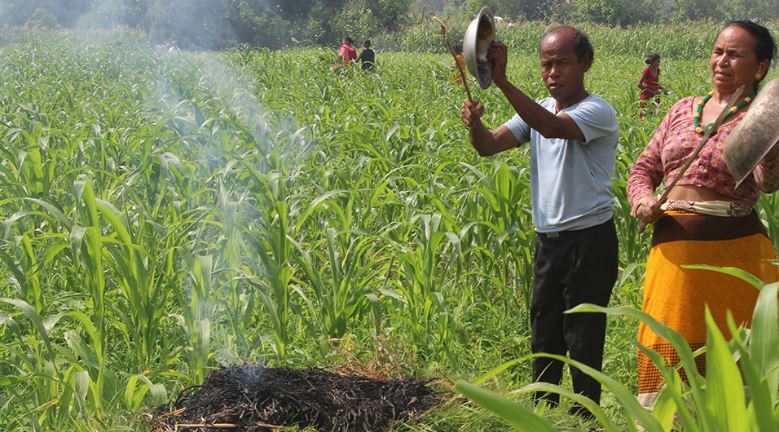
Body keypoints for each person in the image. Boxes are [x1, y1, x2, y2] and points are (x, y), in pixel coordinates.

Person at [460, 26, 619, 418]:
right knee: (545, 333)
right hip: (550, 240)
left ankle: (585, 420)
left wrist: (501, 82)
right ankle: (543, 416)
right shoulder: (539, 111)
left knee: (582, 336)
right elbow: (490, 146)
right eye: (546, 65)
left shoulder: (595, 111)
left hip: (590, 239)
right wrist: (475, 124)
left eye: (562, 63)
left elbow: (552, 129)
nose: (552, 73)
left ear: (585, 64)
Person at [627, 20, 779, 409]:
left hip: (734, 257)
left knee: (734, 362)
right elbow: (644, 168)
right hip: (673, 254)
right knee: (666, 350)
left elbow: (768, 182)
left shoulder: (760, 122)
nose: (722, 61)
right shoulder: (682, 110)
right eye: (718, 51)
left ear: (760, 68)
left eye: (735, 54)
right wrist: (643, 200)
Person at [637, 53, 667, 119]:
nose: (659, 63)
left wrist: (663, 89)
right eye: (657, 61)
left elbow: (655, 83)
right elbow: (639, 84)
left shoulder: (658, 70)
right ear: (652, 62)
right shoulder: (647, 70)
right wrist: (651, 91)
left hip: (656, 95)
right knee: (644, 115)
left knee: (653, 115)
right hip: (647, 95)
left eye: (659, 61)